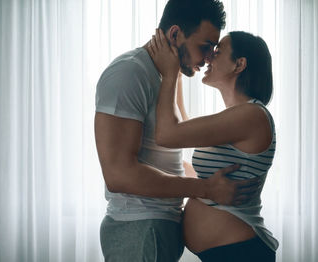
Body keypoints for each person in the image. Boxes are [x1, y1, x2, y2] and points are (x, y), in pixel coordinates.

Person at [94, 0, 262, 261]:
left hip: (159, 227)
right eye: (205, 47)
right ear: (175, 34)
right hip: (140, 227)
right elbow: (118, 175)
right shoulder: (129, 73)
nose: (208, 58)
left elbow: (165, 158)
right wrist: (205, 189)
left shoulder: (164, 76)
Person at [148, 29, 279, 261]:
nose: (209, 57)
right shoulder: (238, 117)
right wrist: (177, 73)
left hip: (241, 253)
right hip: (228, 252)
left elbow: (169, 134)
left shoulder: (252, 116)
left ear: (239, 65)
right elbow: (185, 127)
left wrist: (168, 75)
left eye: (218, 51)